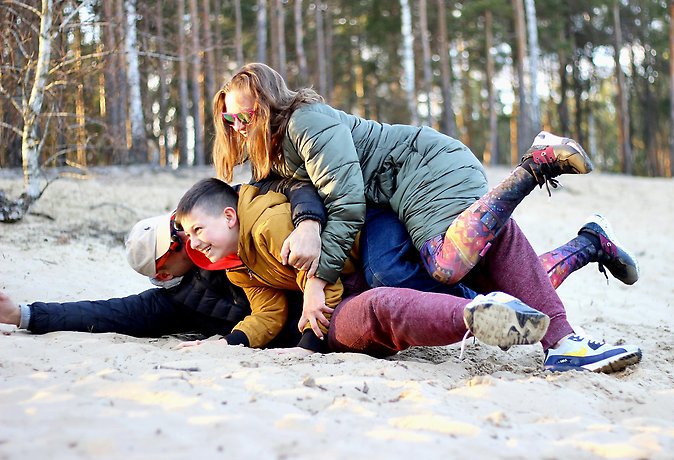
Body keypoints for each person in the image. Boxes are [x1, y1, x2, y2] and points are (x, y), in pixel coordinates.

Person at [209, 62, 641, 372]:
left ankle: (534, 166)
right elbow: (302, 190)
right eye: (230, 120)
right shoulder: (277, 154)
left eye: (245, 115)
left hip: (423, 167)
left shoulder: (307, 122)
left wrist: (317, 281)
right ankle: (588, 244)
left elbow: (346, 202)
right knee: (475, 280)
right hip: (393, 197)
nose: (238, 127)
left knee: (446, 264)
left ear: (268, 105)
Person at [175, 177, 641, 373]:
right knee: (396, 303)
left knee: (484, 250)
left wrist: (309, 333)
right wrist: (235, 341)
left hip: (367, 270)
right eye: (184, 240)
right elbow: (269, 311)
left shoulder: (273, 221)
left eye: (196, 231)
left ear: (229, 216)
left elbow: (323, 272)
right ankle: (583, 247)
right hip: (347, 305)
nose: (191, 246)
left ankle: (543, 328)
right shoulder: (235, 263)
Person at [0, 177, 326, 345]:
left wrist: (308, 223)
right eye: (176, 239)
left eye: (179, 225)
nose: (188, 237)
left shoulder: (224, 223)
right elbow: (105, 313)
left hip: (328, 277)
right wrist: (23, 315)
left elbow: (295, 186)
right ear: (164, 271)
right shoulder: (170, 304)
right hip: (312, 329)